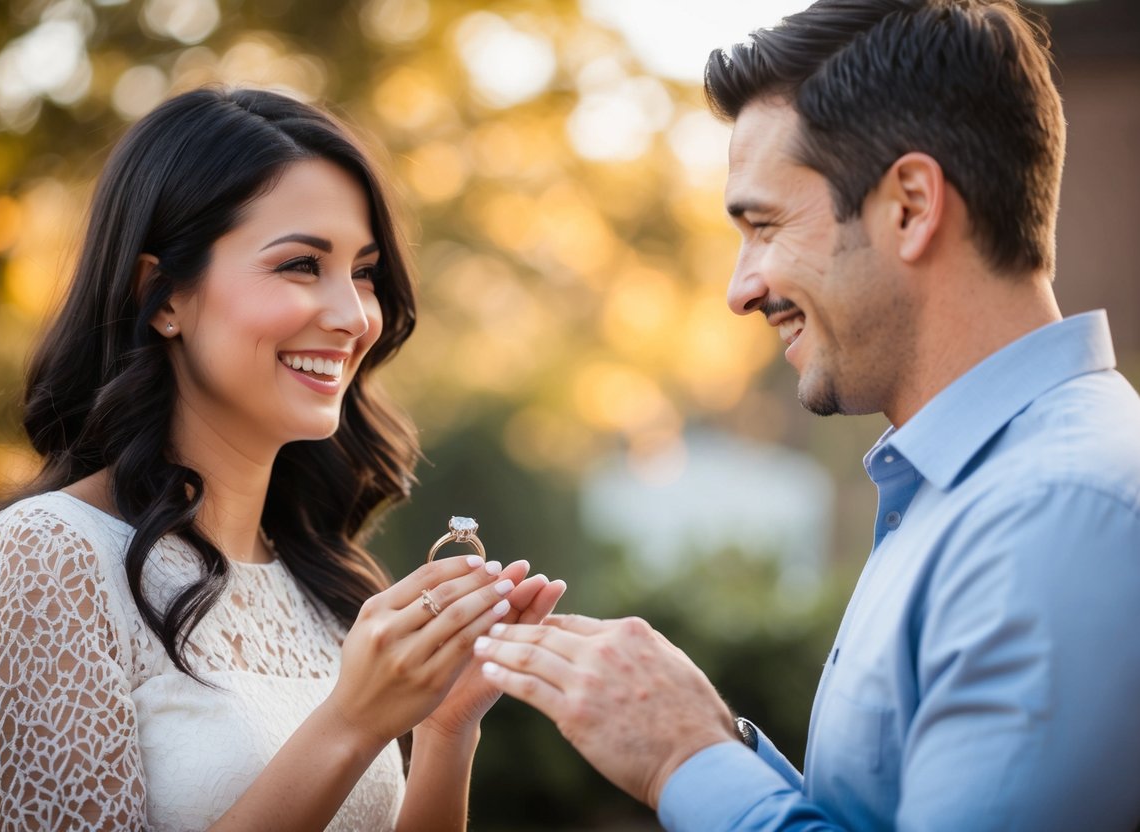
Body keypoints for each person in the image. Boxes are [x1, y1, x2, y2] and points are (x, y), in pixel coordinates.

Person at [473, 0, 1140, 829]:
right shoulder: (969, 491)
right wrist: (707, 736)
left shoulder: (1055, 512)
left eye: (764, 226)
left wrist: (685, 761)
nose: (739, 288)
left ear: (909, 205)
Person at [0, 87, 565, 831]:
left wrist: (445, 729)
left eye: (363, 272)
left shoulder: (317, 579)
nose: (353, 315)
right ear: (161, 295)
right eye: (301, 265)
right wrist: (350, 724)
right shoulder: (46, 557)